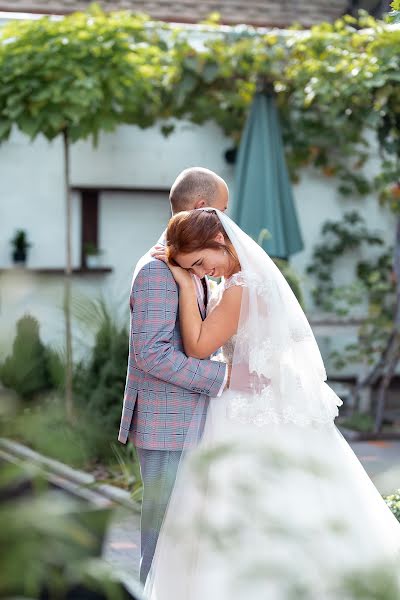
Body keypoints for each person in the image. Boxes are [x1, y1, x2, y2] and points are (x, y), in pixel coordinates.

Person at [145, 208, 400, 599]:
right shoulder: (240, 280)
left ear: (218, 241)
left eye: (199, 263)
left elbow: (197, 347)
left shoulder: (241, 286)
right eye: (191, 270)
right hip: (253, 398)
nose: (200, 273)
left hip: (250, 410)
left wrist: (181, 285)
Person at [117, 167, 230, 585]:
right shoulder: (155, 270)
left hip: (191, 419)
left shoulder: (187, 266)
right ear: (202, 207)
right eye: (223, 210)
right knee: (162, 538)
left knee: (187, 539)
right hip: (166, 425)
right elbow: (151, 355)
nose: (226, 220)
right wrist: (221, 378)